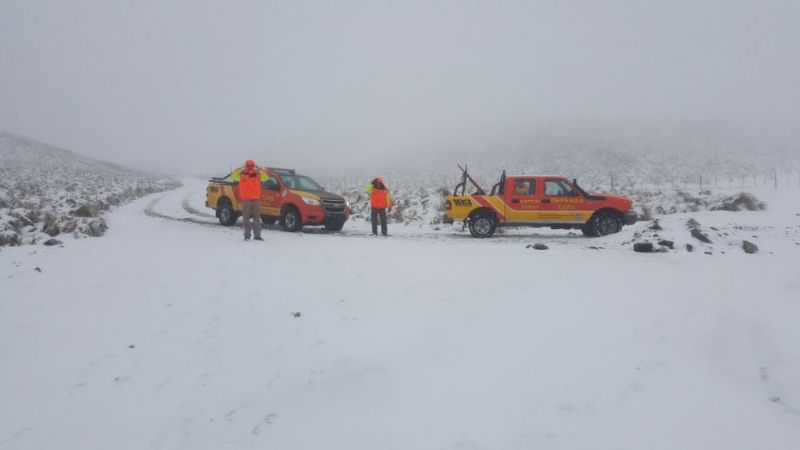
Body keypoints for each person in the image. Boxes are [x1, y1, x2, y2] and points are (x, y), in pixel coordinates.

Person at [231, 160, 269, 241]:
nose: (250, 167)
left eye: (251, 166)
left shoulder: (258, 173)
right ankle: (248, 235)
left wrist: (260, 169)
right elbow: (233, 176)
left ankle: (255, 235)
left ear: (254, 166)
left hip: (255, 199)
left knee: (255, 218)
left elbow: (266, 177)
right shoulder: (241, 173)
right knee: (248, 218)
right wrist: (239, 169)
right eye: (248, 166)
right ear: (246, 165)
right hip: (247, 199)